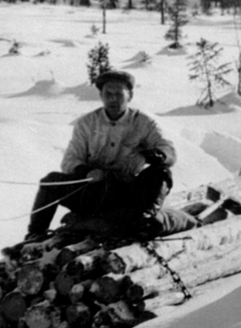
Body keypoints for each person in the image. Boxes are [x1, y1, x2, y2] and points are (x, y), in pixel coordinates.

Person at [26, 69, 176, 240]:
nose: (113, 99)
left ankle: (144, 220)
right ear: (101, 96)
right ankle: (34, 235)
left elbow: (169, 151)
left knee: (161, 172)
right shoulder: (86, 123)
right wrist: (86, 172)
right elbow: (69, 160)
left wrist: (146, 156)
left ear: (130, 96)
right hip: (92, 195)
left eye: (119, 94)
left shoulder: (143, 123)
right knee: (51, 181)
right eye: (108, 94)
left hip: (125, 195)